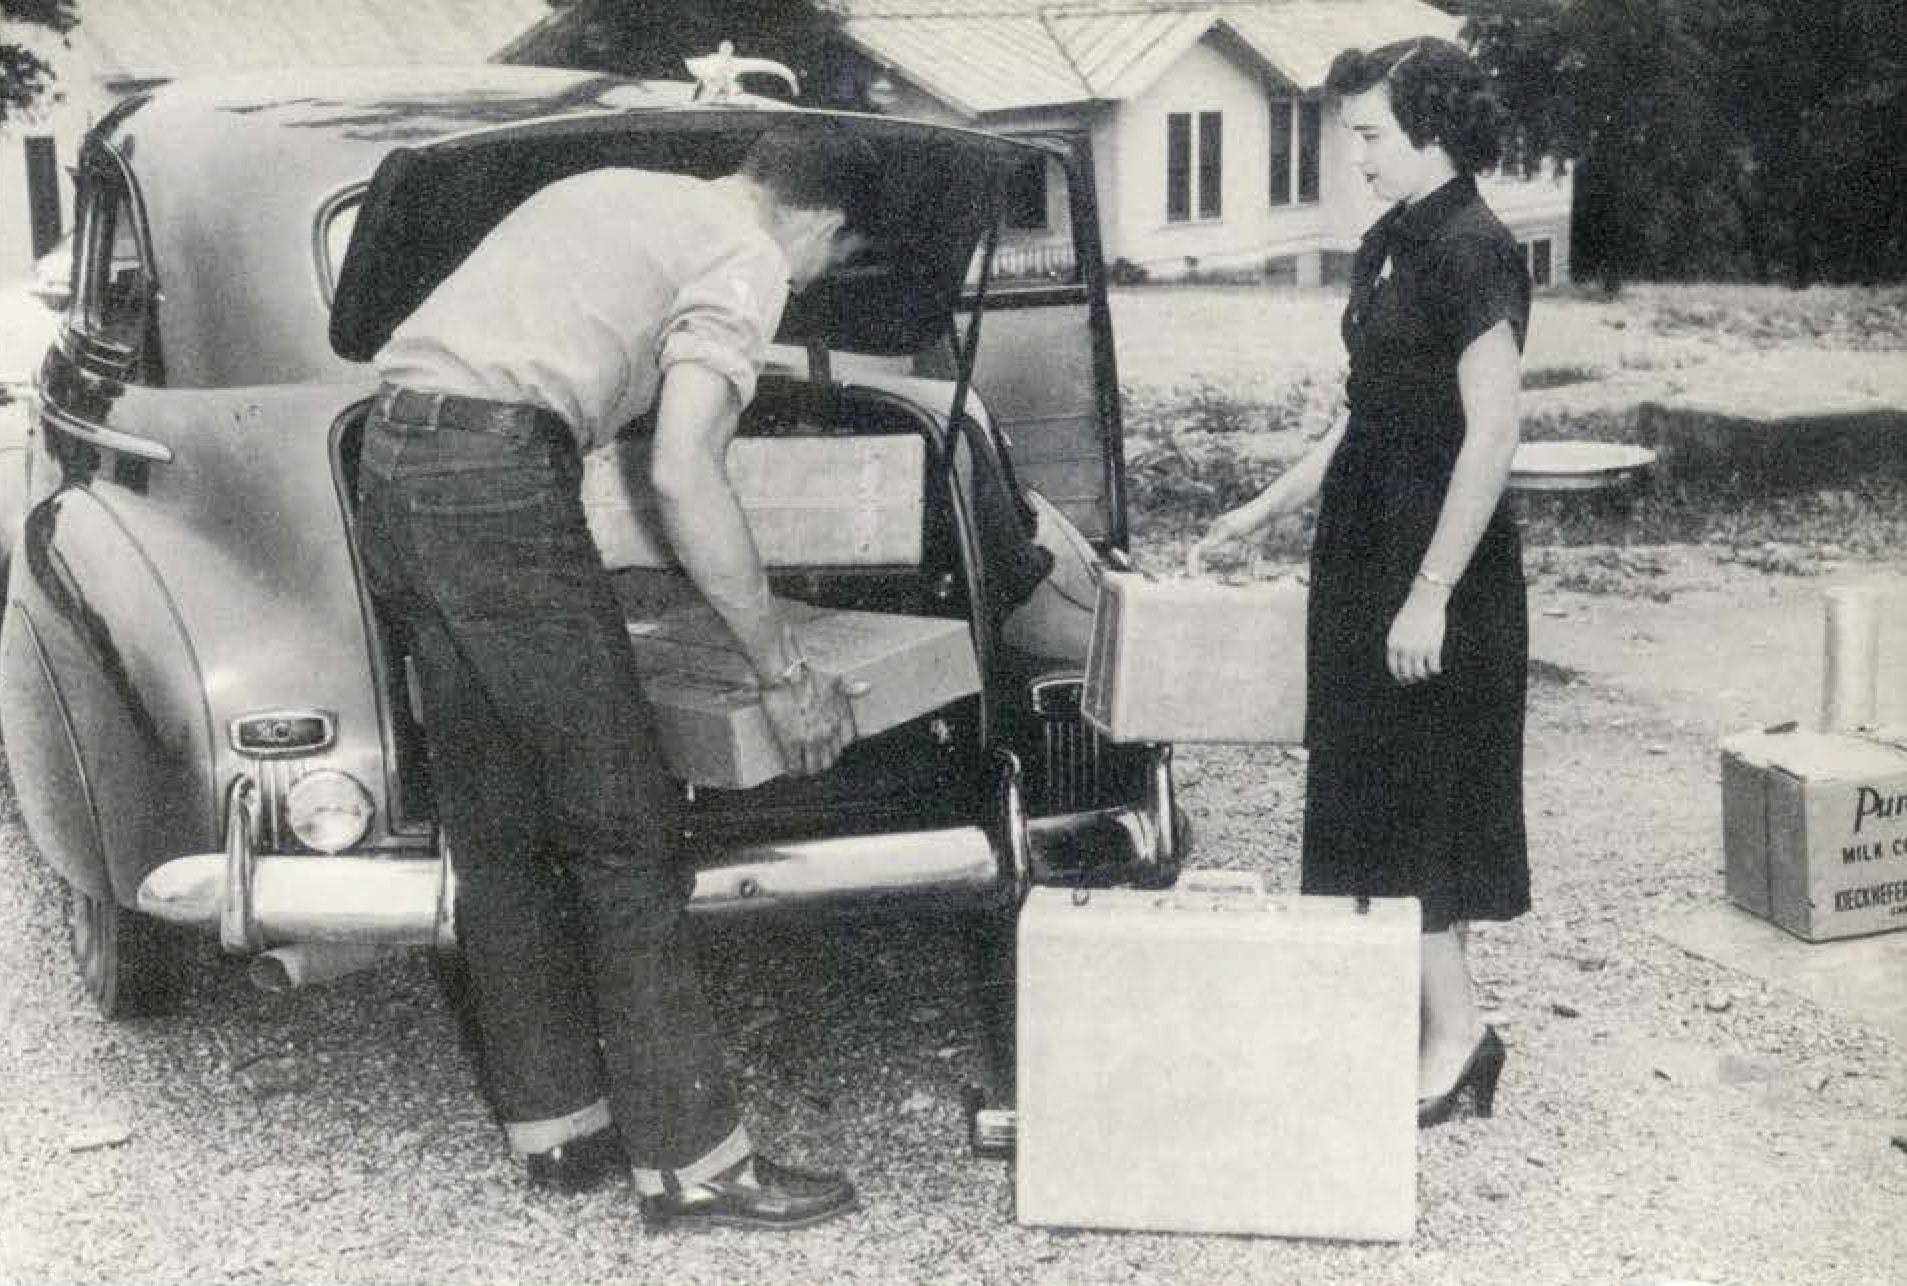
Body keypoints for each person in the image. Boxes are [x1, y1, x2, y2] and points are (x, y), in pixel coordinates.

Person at [353, 125, 875, 1228]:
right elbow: (684, 468)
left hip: (395, 461)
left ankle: (557, 1125)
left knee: (496, 815)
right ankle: (694, 1162)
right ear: (820, 223)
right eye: (829, 263)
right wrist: (779, 667)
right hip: (491, 476)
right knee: (624, 827)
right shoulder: (749, 254)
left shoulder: (620, 188)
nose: (809, 285)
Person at [1188, 37, 1531, 1127]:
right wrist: (1258, 510)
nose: (1356, 156)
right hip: (1364, 548)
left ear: (1431, 127)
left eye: (1371, 135)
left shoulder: (1473, 248)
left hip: (1433, 560)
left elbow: (1491, 434)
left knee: (1418, 797)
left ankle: (1459, 1034)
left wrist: (1430, 588)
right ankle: (1436, 1019)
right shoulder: (1391, 242)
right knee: (1377, 784)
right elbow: (1360, 420)